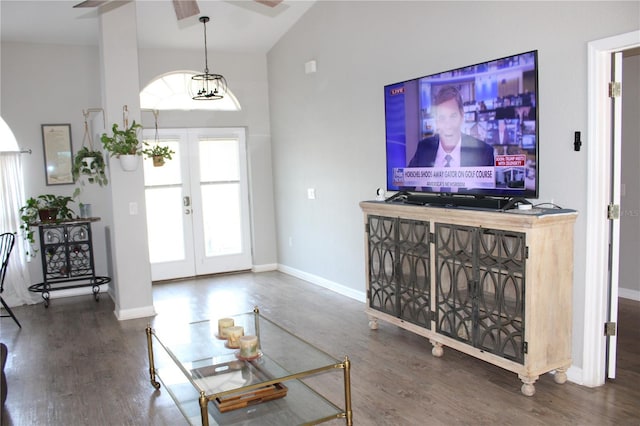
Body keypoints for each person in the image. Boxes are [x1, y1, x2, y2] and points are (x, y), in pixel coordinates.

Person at [408, 86, 494, 168]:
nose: (448, 125)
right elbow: (406, 181)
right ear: (436, 121)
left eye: (453, 116)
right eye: (442, 118)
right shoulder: (424, 148)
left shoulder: (483, 153)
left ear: (462, 116)